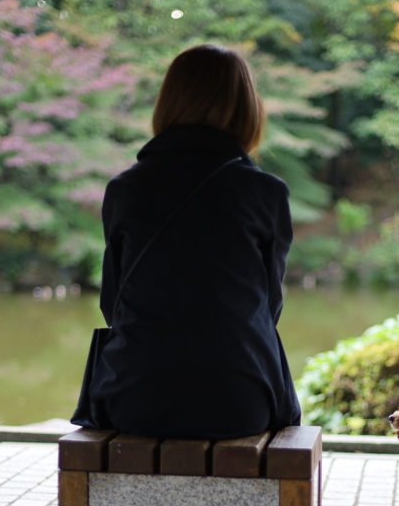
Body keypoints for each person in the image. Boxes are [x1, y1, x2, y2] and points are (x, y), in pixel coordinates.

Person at [77, 44, 301, 439]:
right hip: (239, 402)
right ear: (247, 108)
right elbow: (269, 308)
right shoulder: (265, 192)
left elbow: (112, 305)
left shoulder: (125, 189)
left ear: (168, 104)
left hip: (135, 399)